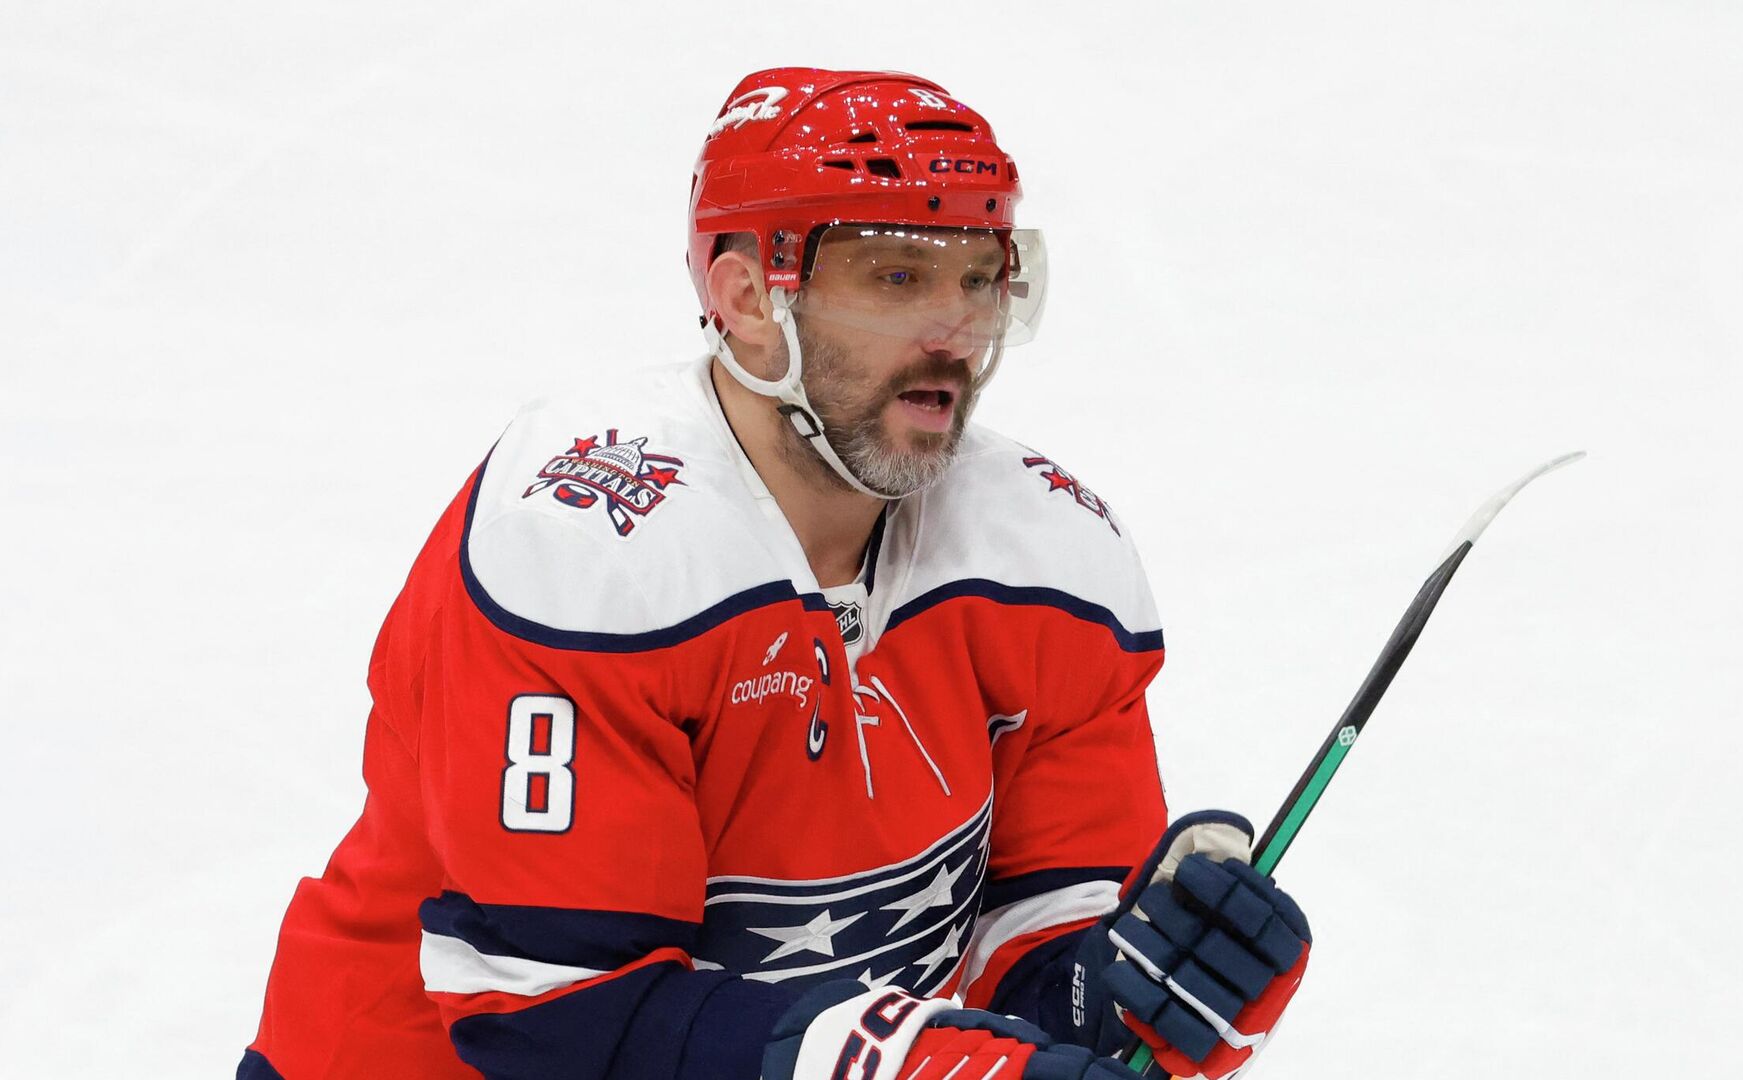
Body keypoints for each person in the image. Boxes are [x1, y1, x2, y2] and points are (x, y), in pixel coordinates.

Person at [238, 68, 1310, 1080]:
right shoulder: (590, 551)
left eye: (979, 280)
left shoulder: (1049, 562)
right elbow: (562, 1024)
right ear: (750, 299)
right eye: (897, 277)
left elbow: (1030, 950)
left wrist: (1123, 996)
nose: (952, 334)